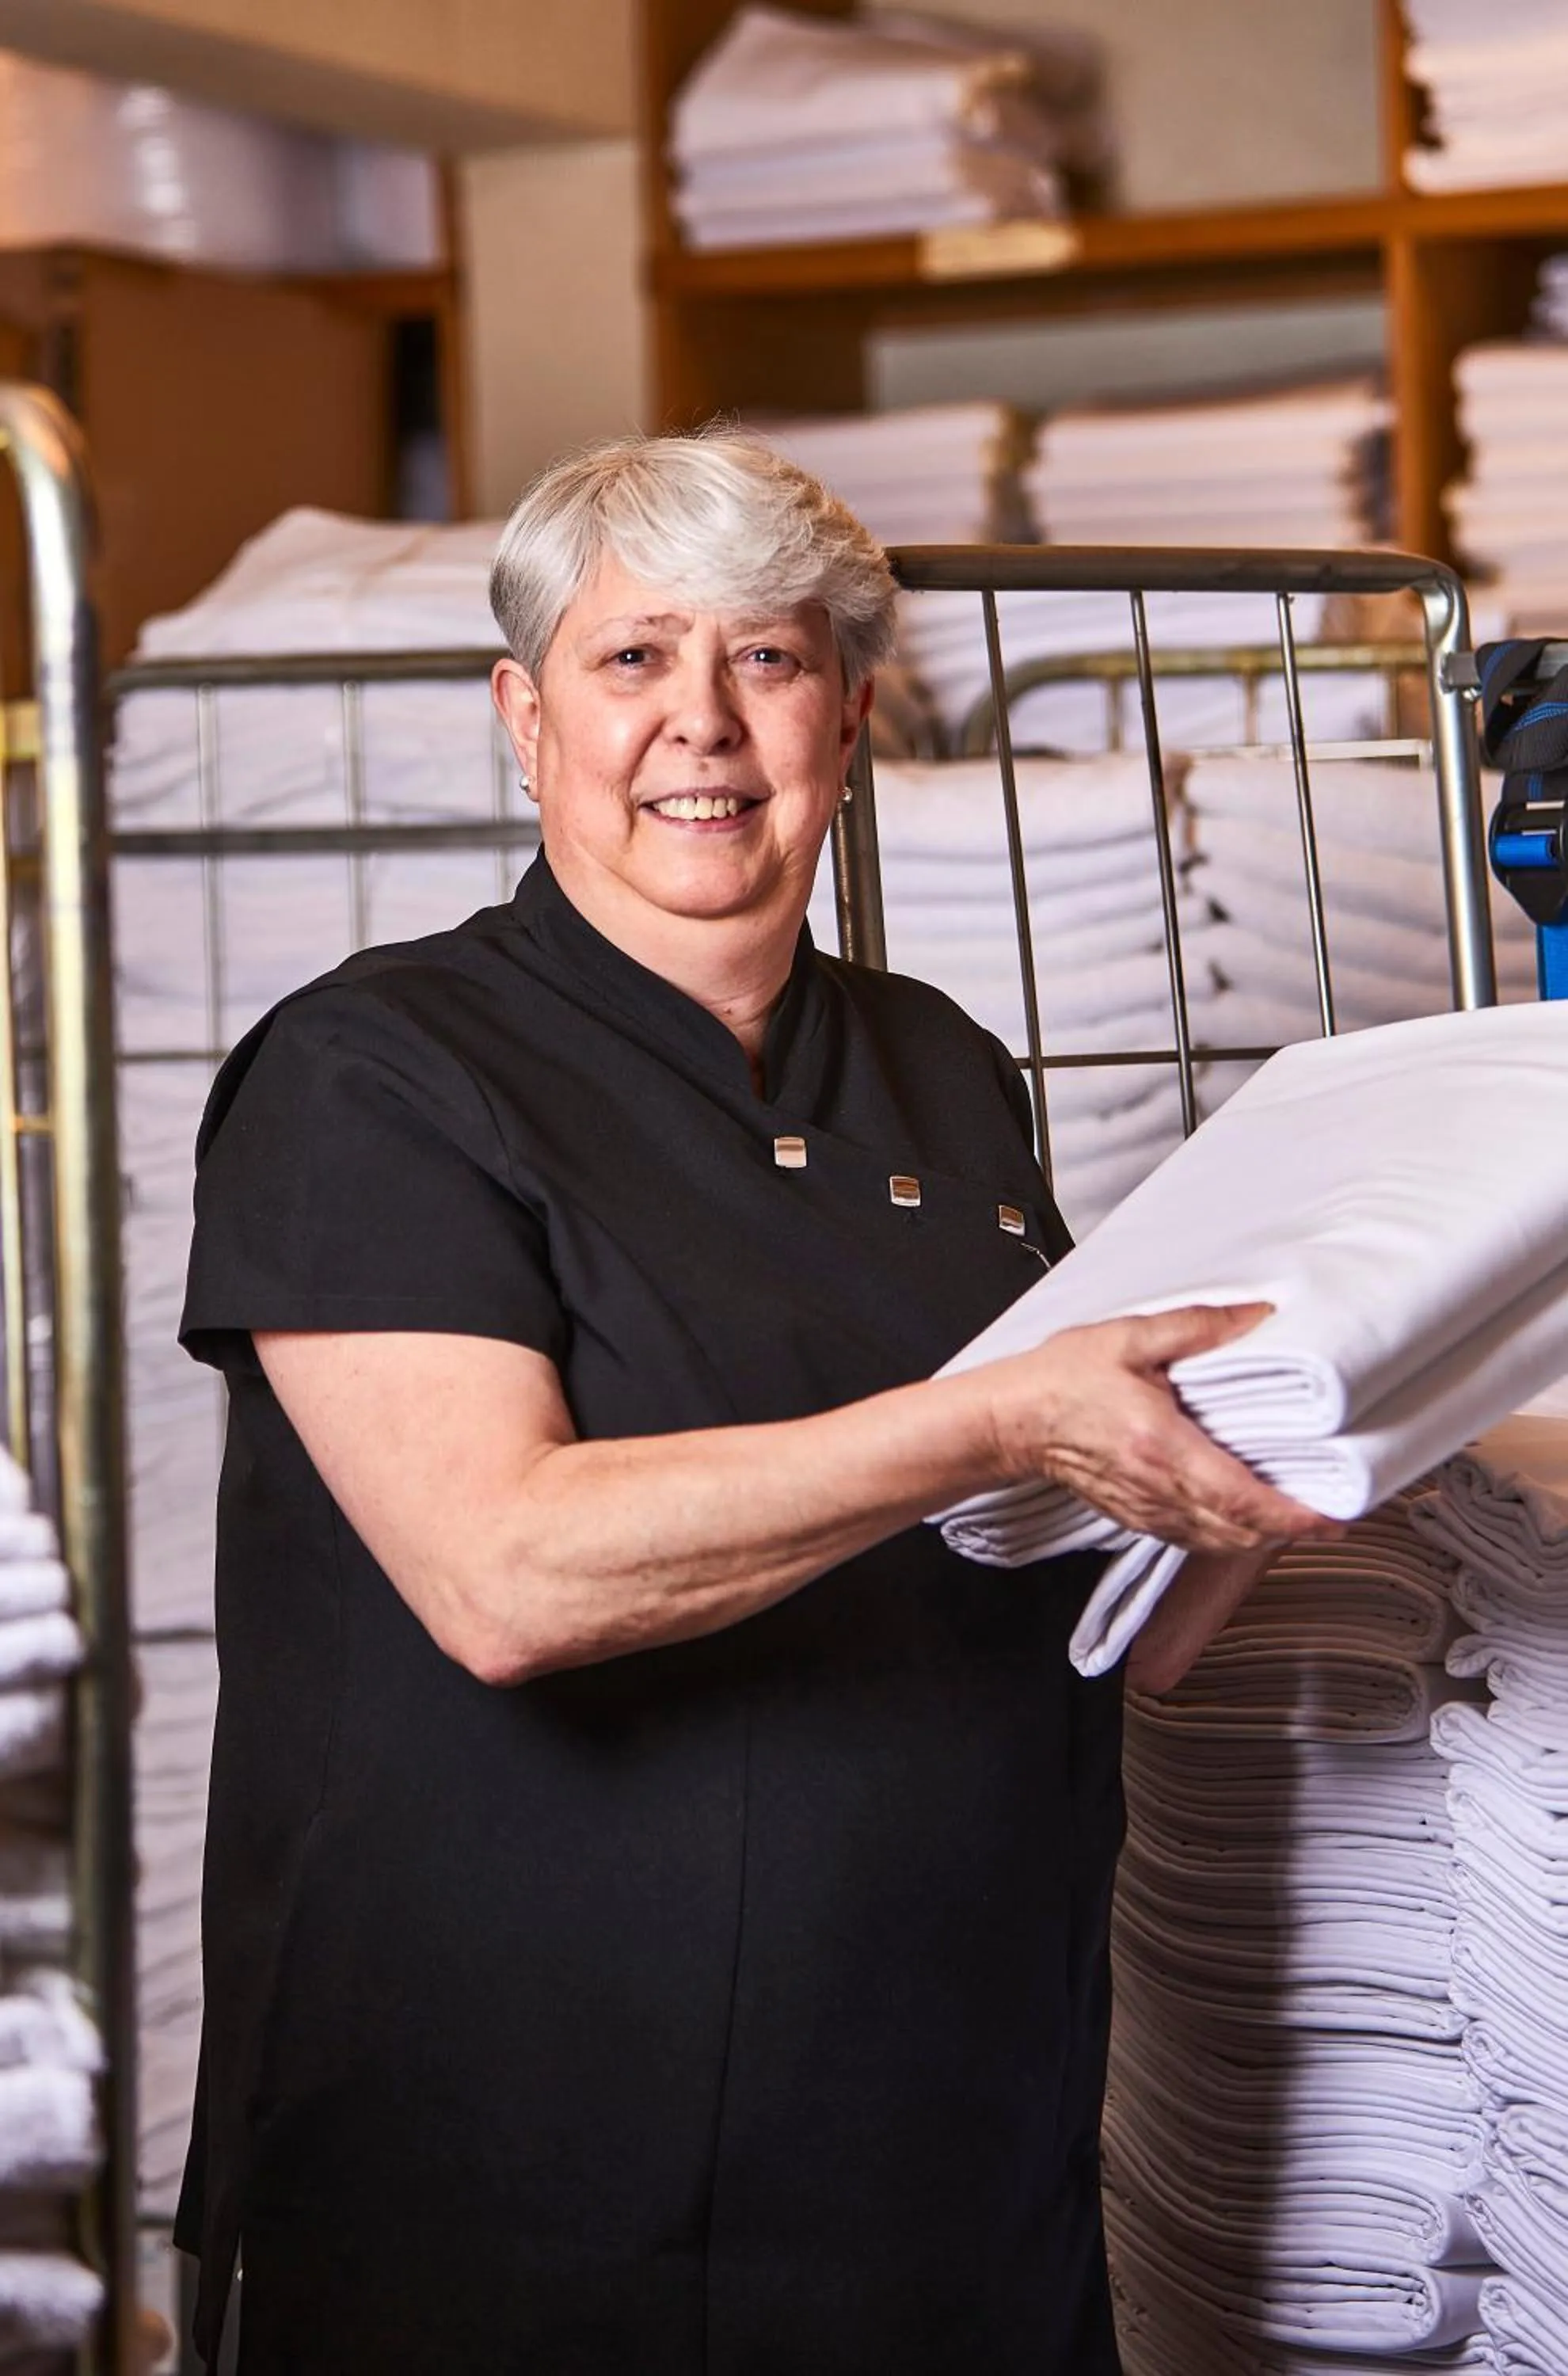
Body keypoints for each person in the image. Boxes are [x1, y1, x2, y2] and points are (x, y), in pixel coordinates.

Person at [173, 429, 1331, 2374]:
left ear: (851, 717)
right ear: (523, 721)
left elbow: (1071, 1604)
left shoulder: (937, 1068)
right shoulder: (371, 1076)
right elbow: (504, 1574)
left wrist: (1306, 1455)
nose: (700, 725)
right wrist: (993, 1422)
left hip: (949, 2150)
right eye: (633, 662)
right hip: (522, 2192)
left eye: (769, 662)